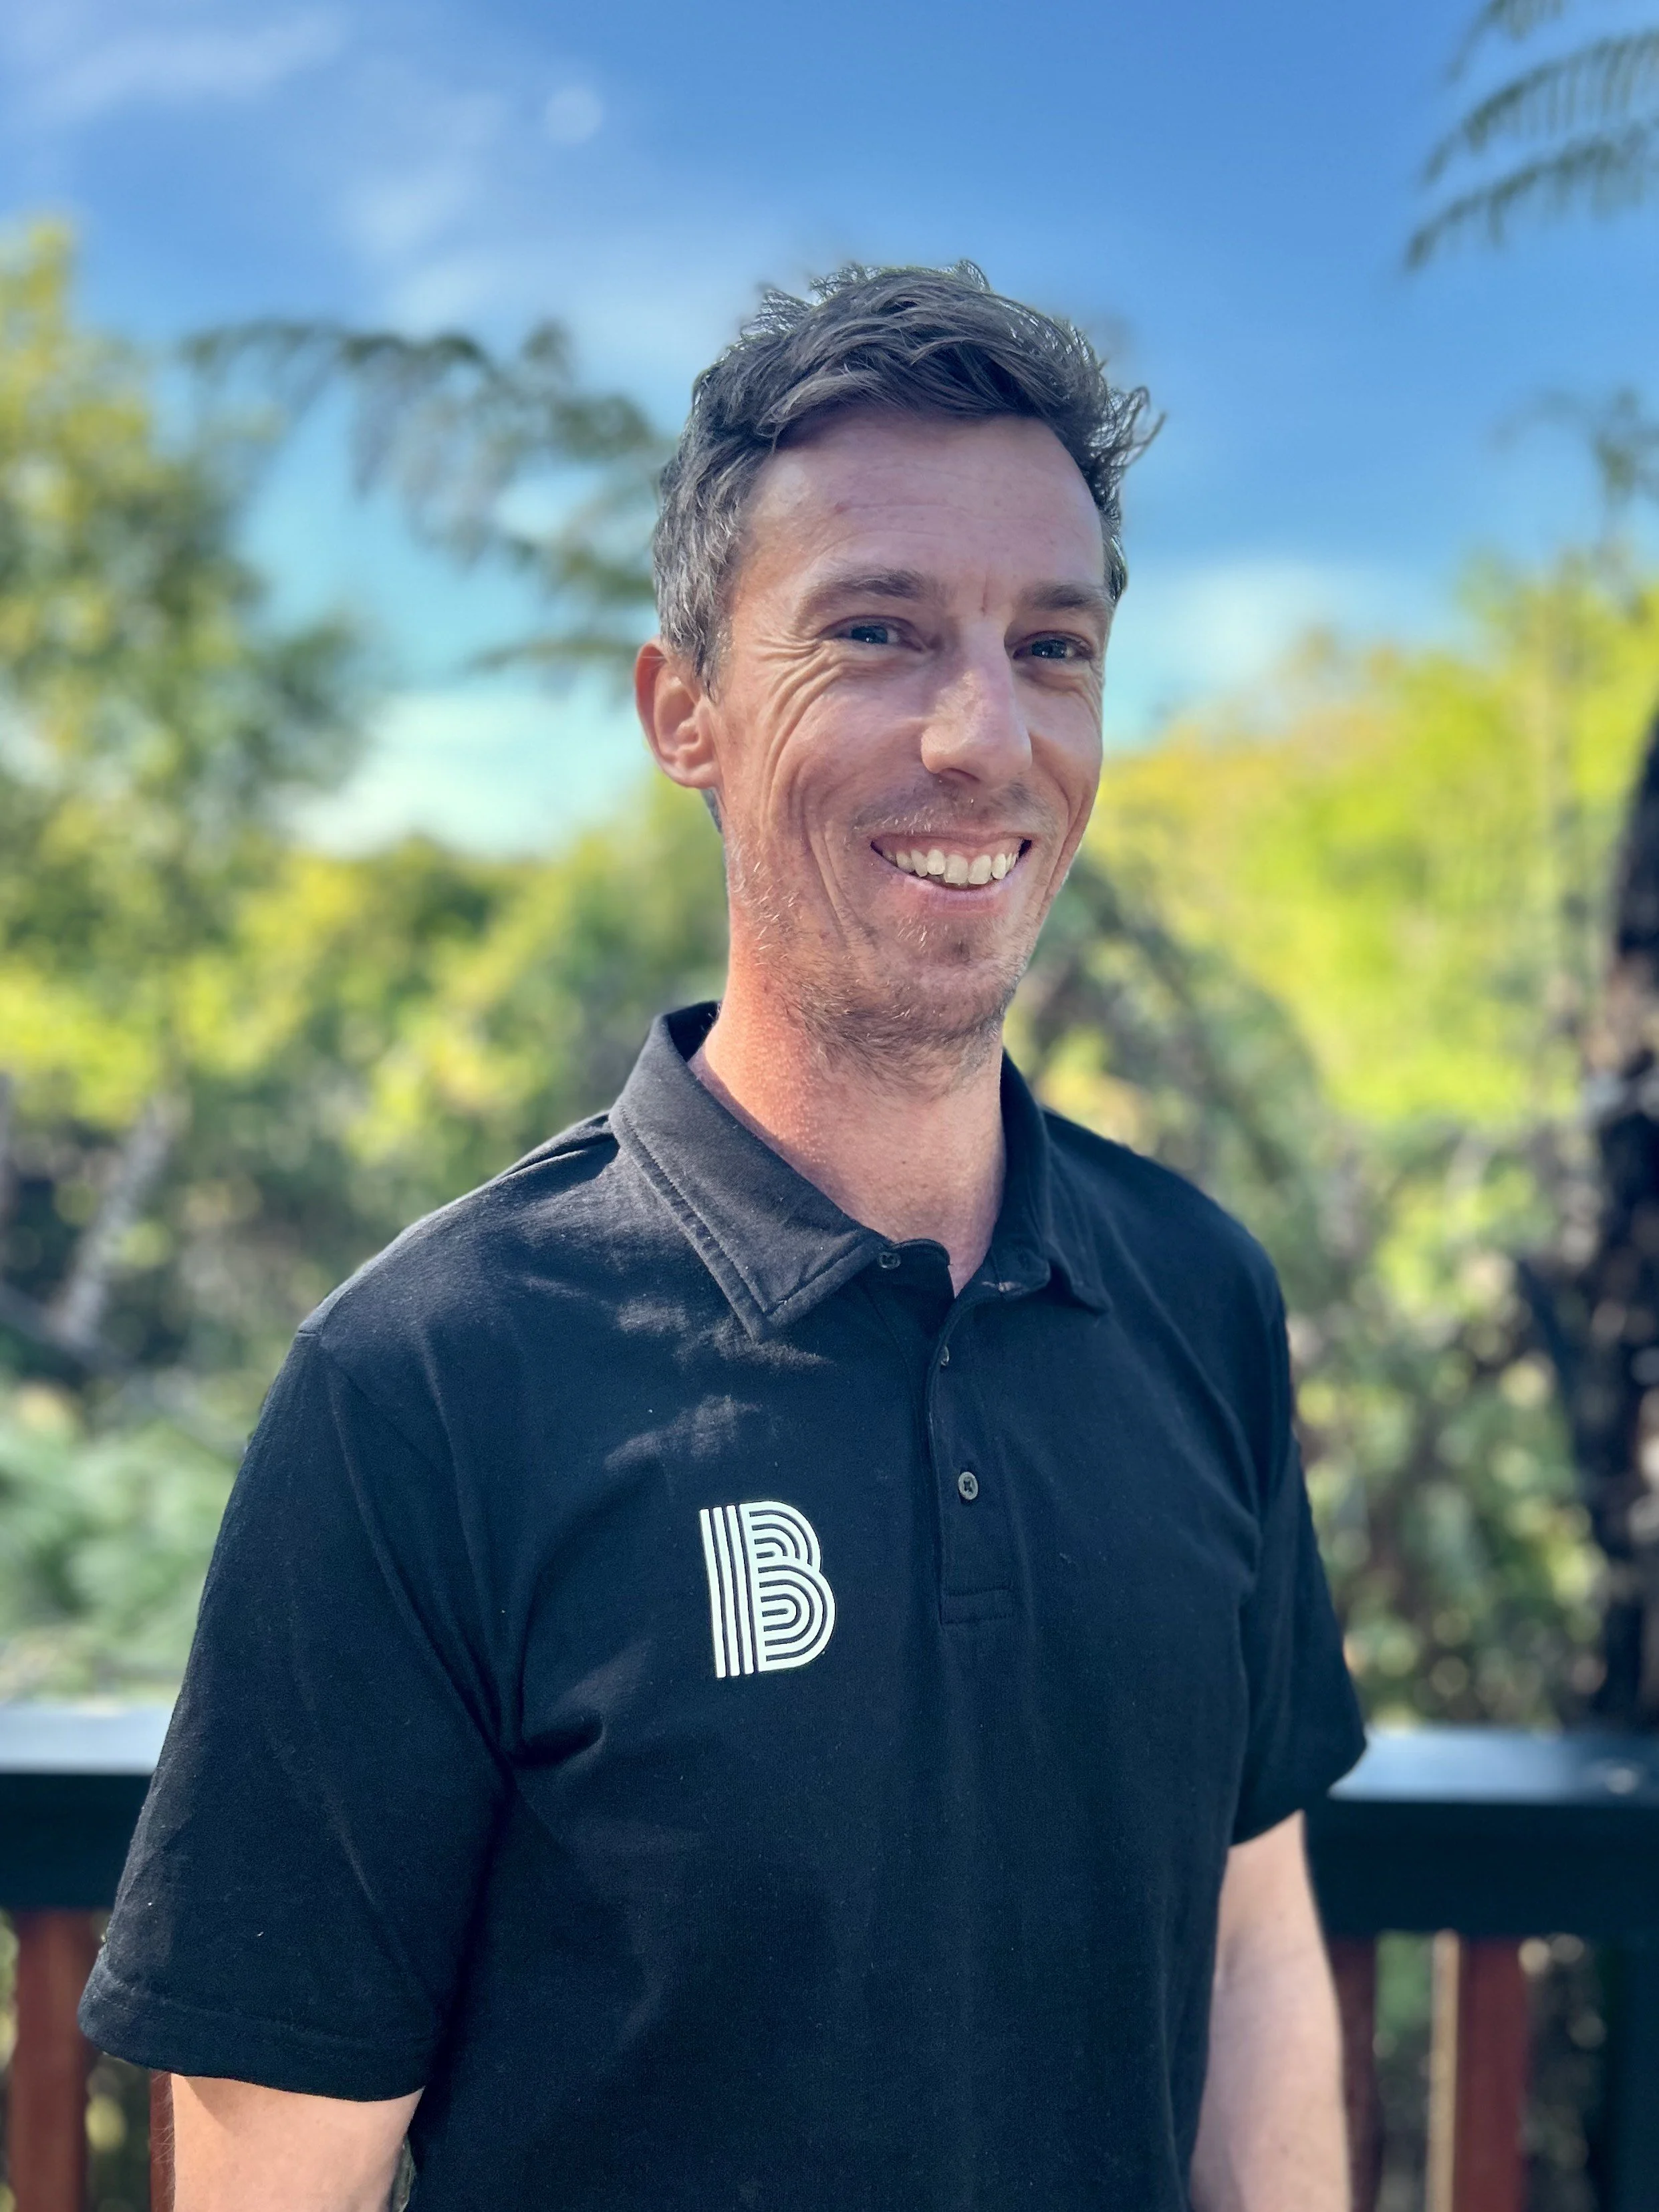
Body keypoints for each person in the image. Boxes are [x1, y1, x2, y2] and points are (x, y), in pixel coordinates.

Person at [82, 263, 1366, 2212]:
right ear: (682, 710)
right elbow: (279, 2170)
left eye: (1052, 645)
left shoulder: (1200, 1292)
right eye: (875, 631)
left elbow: (1252, 1938)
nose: (983, 733)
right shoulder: (430, 1379)